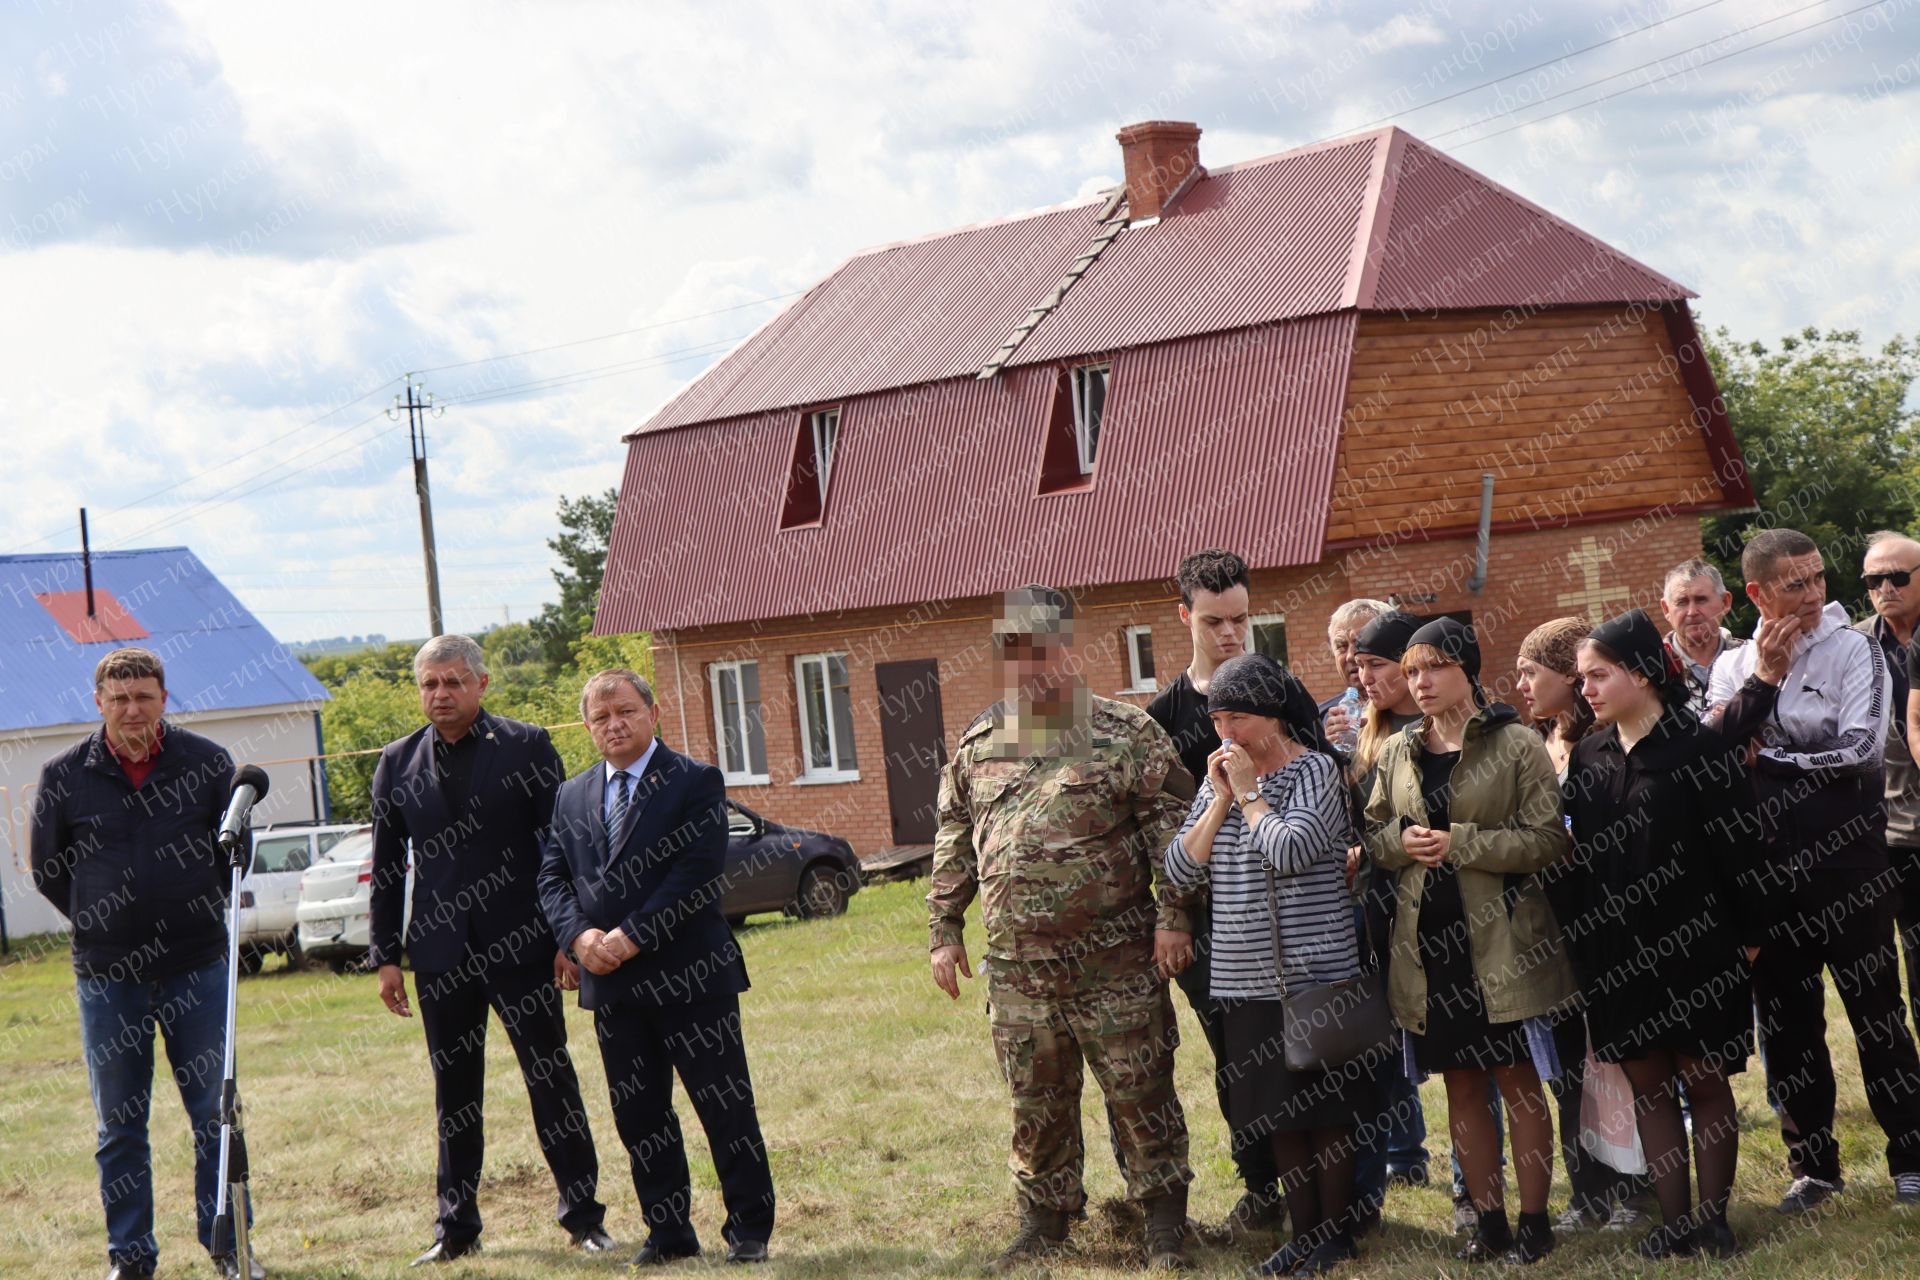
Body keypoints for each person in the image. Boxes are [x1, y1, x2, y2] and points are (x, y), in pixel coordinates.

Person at [928, 585, 1195, 1273]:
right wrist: (944, 927)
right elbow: (955, 832)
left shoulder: (1124, 732)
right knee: (1035, 1099)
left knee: (1140, 1090)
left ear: (1069, 650)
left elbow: (1175, 836)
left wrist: (1173, 920)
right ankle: (1045, 1219)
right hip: (1018, 970)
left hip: (1117, 962)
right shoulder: (981, 740)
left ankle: (1164, 1220)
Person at [367, 635, 609, 1266]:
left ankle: (584, 1219)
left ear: (481, 684)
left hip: (525, 946)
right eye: (429, 684)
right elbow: (389, 868)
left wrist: (567, 936)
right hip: (440, 955)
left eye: (452, 682)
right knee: (455, 1092)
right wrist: (387, 955)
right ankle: (456, 1229)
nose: (440, 695)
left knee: (550, 1077)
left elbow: (561, 848)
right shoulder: (396, 762)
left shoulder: (527, 746)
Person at [29, 647, 263, 1280]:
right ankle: (130, 1259)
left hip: (198, 968)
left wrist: (181, 907)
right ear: (98, 701)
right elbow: (50, 870)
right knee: (119, 1128)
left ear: (164, 698)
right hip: (108, 978)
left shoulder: (209, 764)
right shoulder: (64, 774)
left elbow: (228, 858)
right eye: (119, 698)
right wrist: (106, 919)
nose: (132, 709)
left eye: (144, 697)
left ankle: (230, 1247)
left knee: (217, 1116)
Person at [1706, 529, 1920, 1212]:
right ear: (1757, 593)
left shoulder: (1855, 646)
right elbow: (1714, 755)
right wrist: (1765, 687)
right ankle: (1815, 1165)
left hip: (1849, 862)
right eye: (1794, 583)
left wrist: (1768, 759)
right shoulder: (1734, 665)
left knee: (1877, 1016)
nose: (1813, 593)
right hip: (1768, 869)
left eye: (1818, 578)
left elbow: (1860, 748)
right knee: (1789, 1022)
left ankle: (1910, 1159)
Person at [537, 669, 776, 1265]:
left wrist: (633, 935)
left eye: (625, 712)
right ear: (588, 727)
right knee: (640, 1115)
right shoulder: (572, 795)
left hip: (692, 977)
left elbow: (696, 871)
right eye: (601, 717)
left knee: (724, 1106)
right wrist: (579, 935)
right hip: (612, 985)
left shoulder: (694, 780)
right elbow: (551, 877)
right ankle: (668, 1234)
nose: (614, 725)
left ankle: (748, 1229)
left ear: (653, 712)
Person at [1364, 618, 1576, 1264]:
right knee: (1461, 1086)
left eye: (1433, 668)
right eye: (1411, 671)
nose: (1418, 683)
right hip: (1430, 950)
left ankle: (1535, 1220)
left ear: (1468, 671)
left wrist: (1462, 844)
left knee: (1518, 1082)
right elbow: (1374, 834)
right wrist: (1398, 843)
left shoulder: (1515, 743)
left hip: (1504, 943)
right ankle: (1489, 1222)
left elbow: (1549, 842)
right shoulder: (1398, 750)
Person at [1563, 609, 1770, 1257]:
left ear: (1644, 672)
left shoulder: (1701, 748)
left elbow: (1745, 851)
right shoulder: (1591, 755)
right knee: (1647, 1086)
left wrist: (1749, 939)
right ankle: (1674, 1223)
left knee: (1705, 1082)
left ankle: (1715, 1221)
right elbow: (1583, 863)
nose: (1586, 690)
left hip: (1700, 948)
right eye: (1581, 679)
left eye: (1598, 676)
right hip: (1617, 956)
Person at [1165, 654, 1371, 1277]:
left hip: (1316, 972)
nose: (1225, 734)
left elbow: (1292, 849)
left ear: (1273, 716)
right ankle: (1301, 1232)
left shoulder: (1316, 771)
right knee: (1278, 1113)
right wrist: (1221, 802)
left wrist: (1252, 792)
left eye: (1238, 718)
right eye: (1217, 718)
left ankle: (1335, 1236)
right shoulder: (1218, 782)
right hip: (1243, 974)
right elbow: (1178, 868)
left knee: (1325, 1112)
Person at [1145, 548, 1284, 1240]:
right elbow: (1157, 831)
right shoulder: (1164, 716)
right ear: (1184, 617)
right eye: (1214, 622)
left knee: (1304, 1046)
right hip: (1209, 922)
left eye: (1241, 619)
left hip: (1289, 914)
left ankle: (1327, 1179)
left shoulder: (1276, 688)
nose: (1231, 634)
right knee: (1236, 1057)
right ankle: (1262, 1185)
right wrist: (1172, 919)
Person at [1514, 618, 1644, 1235]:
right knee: (1567, 1064)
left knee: (1617, 1059)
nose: (1521, 685)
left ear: (1568, 675)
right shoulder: (1541, 743)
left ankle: (1634, 1187)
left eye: (1531, 672)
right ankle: (1588, 1190)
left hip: (1605, 922)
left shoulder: (1604, 744)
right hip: (1553, 928)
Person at [1343, 611, 1435, 1227]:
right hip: (1376, 911)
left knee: (1462, 1059)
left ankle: (1467, 1183)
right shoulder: (1367, 737)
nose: (1363, 676)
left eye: (1376, 664)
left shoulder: (1435, 731)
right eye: (1358, 665)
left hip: (1435, 909)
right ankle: (1387, 1168)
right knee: (1381, 1051)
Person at [1859, 531, 1920, 1036]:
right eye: (1874, 579)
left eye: (1898, 577)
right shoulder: (1856, 648)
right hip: (1891, 836)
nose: (1886, 588)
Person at [1658, 560, 1745, 716]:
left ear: (1725, 602)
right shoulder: (1653, 671)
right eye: (1681, 602)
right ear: (1666, 609)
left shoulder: (1750, 660)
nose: (1692, 612)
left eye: (1701, 600)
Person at [1320, 599, 1391, 744]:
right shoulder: (1321, 717)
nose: (1350, 656)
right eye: (1341, 645)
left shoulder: (1419, 706)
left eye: (1361, 643)